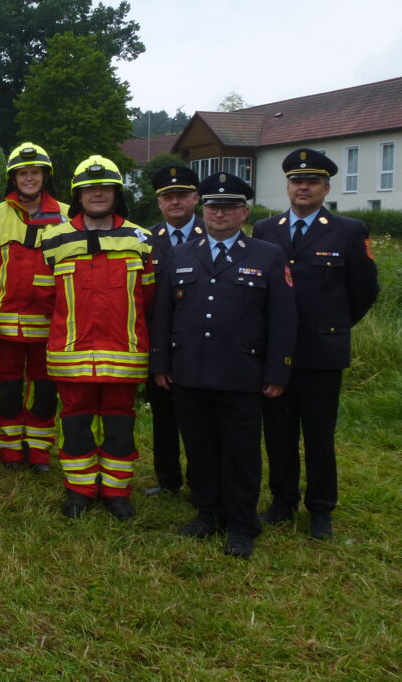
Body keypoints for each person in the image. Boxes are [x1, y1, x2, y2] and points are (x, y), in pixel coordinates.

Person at [151, 172, 296, 558]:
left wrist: (277, 371)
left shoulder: (267, 255)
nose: (219, 213)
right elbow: (164, 314)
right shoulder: (181, 253)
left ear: (244, 212)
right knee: (199, 447)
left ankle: (242, 525)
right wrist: (161, 363)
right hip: (190, 371)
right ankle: (207, 513)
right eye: (214, 206)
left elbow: (283, 320)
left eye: (229, 206)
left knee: (241, 452)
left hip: (241, 374)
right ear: (204, 208)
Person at [252, 148, 379, 540]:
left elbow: (363, 292)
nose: (302, 187)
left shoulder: (348, 230)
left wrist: (332, 326)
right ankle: (282, 501)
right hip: (275, 352)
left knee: (319, 436)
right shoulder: (265, 230)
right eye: (295, 180)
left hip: (321, 353)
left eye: (311, 181)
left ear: (325, 187)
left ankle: (321, 508)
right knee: (278, 431)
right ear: (287, 186)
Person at [41, 155, 153, 520]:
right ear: (78, 195)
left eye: (104, 187)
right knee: (75, 423)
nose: (98, 193)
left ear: (116, 192)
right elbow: (45, 299)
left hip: (125, 354)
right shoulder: (54, 239)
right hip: (71, 354)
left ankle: (117, 492)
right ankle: (79, 491)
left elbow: (149, 299)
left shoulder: (141, 240)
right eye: (90, 188)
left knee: (120, 424)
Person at [0, 143, 67, 472]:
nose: (29, 178)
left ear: (46, 176)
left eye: (35, 172)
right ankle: (9, 449)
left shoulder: (66, 215)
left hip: (50, 320)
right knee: (7, 387)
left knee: (44, 388)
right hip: (4, 321)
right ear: (13, 178)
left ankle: (39, 451)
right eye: (23, 173)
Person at [143, 164, 206, 496]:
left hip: (200, 346)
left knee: (198, 421)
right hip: (158, 344)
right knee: (163, 418)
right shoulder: (144, 240)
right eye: (168, 197)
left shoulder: (214, 235)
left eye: (182, 195)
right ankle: (167, 480)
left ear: (195, 197)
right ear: (159, 203)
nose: (175, 202)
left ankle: (200, 480)